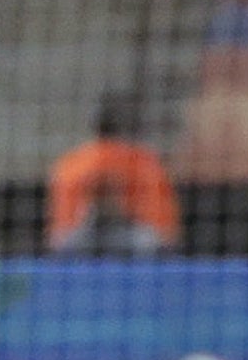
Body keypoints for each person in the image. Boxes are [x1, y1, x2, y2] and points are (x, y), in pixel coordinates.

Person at [47, 94, 178, 255]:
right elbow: (166, 235)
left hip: (95, 248)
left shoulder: (70, 164)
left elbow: (58, 237)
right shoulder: (146, 163)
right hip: (123, 249)